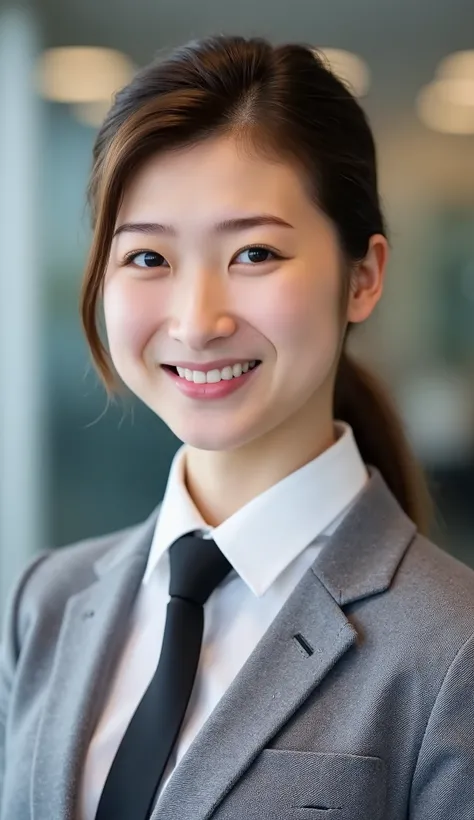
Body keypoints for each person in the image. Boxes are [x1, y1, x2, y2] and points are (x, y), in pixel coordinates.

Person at [1, 33, 474, 820]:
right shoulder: (44, 603)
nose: (197, 322)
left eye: (254, 253)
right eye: (148, 259)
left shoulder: (452, 646)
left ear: (363, 277)